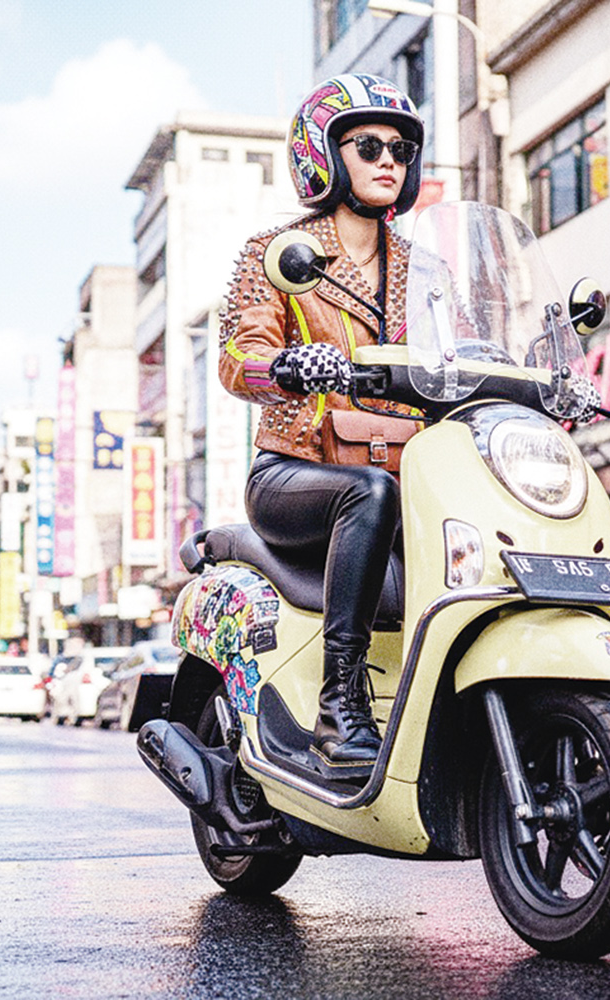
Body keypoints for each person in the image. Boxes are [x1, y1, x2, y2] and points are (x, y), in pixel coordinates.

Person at [218, 74, 426, 770]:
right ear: (325, 153)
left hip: (405, 472)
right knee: (369, 491)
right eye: (369, 145)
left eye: (401, 147)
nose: (388, 160)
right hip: (295, 473)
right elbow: (236, 359)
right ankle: (340, 706)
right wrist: (285, 366)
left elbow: (466, 347)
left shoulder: (425, 271)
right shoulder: (275, 254)